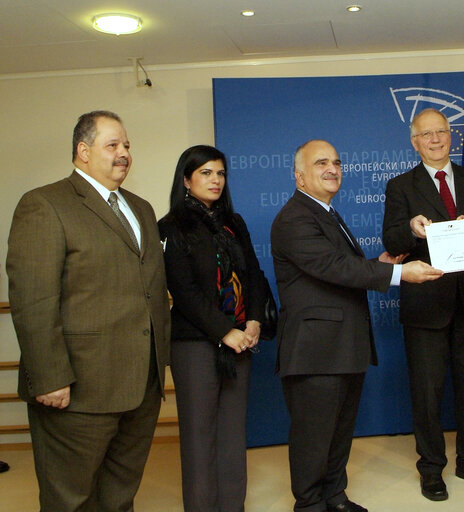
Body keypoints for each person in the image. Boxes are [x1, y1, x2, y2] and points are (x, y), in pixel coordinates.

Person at [6, 110, 170, 511]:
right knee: (71, 499)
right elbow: (33, 300)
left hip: (141, 385)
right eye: (112, 145)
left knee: (120, 494)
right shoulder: (44, 204)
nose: (124, 153)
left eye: (127, 145)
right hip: (76, 389)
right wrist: (47, 378)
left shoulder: (142, 208)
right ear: (82, 151)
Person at [271, 139, 443, 512]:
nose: (332, 168)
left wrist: (379, 262)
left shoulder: (325, 212)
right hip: (315, 351)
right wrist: (397, 272)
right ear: (300, 177)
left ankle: (334, 496)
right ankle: (310, 504)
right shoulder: (294, 217)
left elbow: (340, 267)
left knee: (338, 433)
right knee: (314, 437)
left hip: (342, 346)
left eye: (336, 161)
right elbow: (333, 267)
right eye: (321, 163)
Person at [382, 108, 464, 501]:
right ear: (415, 142)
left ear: (452, 136)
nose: (435, 139)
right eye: (426, 134)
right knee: (427, 394)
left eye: (441, 132)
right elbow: (393, 242)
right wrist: (409, 229)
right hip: (425, 307)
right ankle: (431, 468)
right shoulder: (400, 186)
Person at [158, 145, 269, 511]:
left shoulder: (233, 224)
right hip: (196, 345)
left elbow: (253, 273)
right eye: (206, 173)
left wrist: (252, 319)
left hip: (240, 341)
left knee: (233, 436)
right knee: (199, 438)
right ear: (186, 180)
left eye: (220, 173)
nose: (215, 180)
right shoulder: (170, 227)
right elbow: (184, 291)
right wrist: (225, 330)